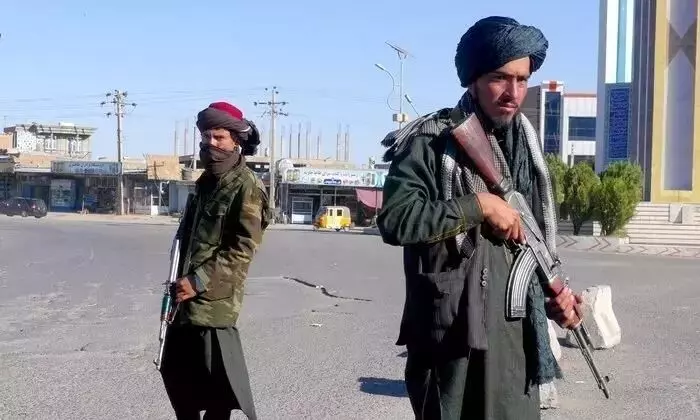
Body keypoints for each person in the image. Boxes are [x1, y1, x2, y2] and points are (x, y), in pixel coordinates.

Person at [377, 16, 582, 420]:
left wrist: (556, 296)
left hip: (513, 351)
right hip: (450, 345)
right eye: (499, 78)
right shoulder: (431, 142)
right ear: (473, 80)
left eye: (522, 80)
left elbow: (530, 246)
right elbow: (396, 219)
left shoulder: (526, 152)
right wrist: (479, 206)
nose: (513, 93)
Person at [160, 101, 270, 420]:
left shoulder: (247, 186)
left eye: (219, 137)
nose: (211, 143)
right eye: (206, 136)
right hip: (182, 297)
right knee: (180, 382)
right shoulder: (206, 182)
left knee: (218, 392)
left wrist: (198, 281)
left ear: (236, 141)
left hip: (213, 303)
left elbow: (243, 248)